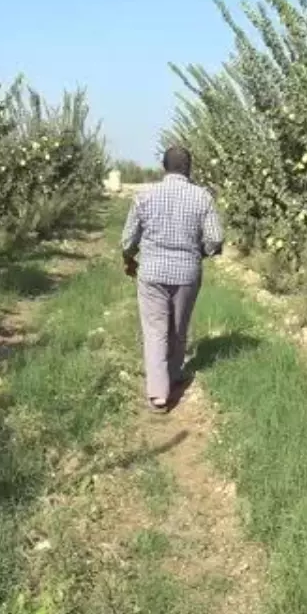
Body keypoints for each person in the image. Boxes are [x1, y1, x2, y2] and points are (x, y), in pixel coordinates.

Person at [120, 146, 224, 414]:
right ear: (188, 168)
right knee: (178, 327)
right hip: (187, 273)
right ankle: (175, 373)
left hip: (152, 273)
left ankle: (158, 395)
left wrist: (129, 258)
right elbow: (215, 239)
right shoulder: (202, 198)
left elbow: (128, 239)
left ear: (164, 167)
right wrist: (201, 252)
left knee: (155, 331)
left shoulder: (144, 195)